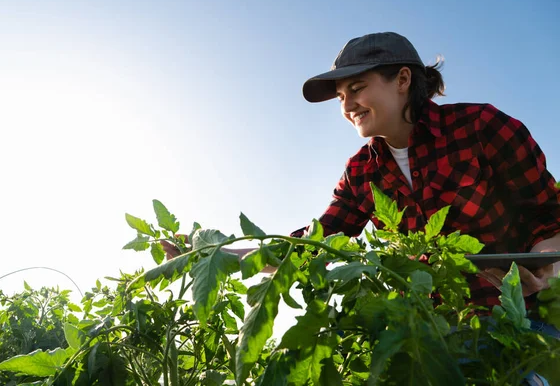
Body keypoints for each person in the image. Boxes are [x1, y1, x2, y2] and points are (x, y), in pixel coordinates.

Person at [162, 31, 559, 385]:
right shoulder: (362, 171)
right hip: (441, 335)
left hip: (525, 322)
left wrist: (544, 262)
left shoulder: (481, 126)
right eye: (340, 97)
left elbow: (551, 215)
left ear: (403, 80)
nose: (347, 104)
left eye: (357, 87)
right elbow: (313, 245)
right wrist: (213, 256)